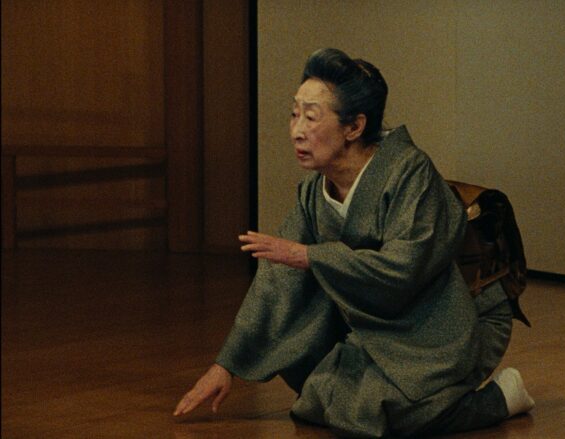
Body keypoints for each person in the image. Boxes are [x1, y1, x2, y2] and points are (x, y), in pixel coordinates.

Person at [173, 48, 534, 438]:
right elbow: (277, 282)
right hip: (376, 328)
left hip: (445, 325)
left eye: (311, 117)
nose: (296, 131)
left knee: (383, 415)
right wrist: (226, 365)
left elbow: (405, 269)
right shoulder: (313, 193)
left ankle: (501, 398)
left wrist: (310, 256)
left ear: (354, 127)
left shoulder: (409, 172)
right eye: (294, 114)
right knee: (319, 402)